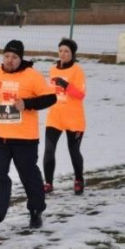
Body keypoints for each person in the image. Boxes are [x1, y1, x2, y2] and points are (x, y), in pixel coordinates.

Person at [0, 40, 57, 234]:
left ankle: (36, 210)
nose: (10, 60)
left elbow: (50, 97)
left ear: (21, 59)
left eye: (14, 57)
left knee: (29, 176)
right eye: (6, 56)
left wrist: (28, 104)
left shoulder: (32, 76)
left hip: (24, 138)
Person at [43, 38, 87, 195]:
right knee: (49, 150)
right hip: (54, 116)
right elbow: (50, 91)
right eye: (60, 50)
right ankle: (48, 183)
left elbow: (80, 95)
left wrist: (66, 85)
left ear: (72, 54)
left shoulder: (77, 71)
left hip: (74, 118)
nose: (63, 54)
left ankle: (79, 179)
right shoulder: (52, 69)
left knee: (73, 151)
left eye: (66, 51)